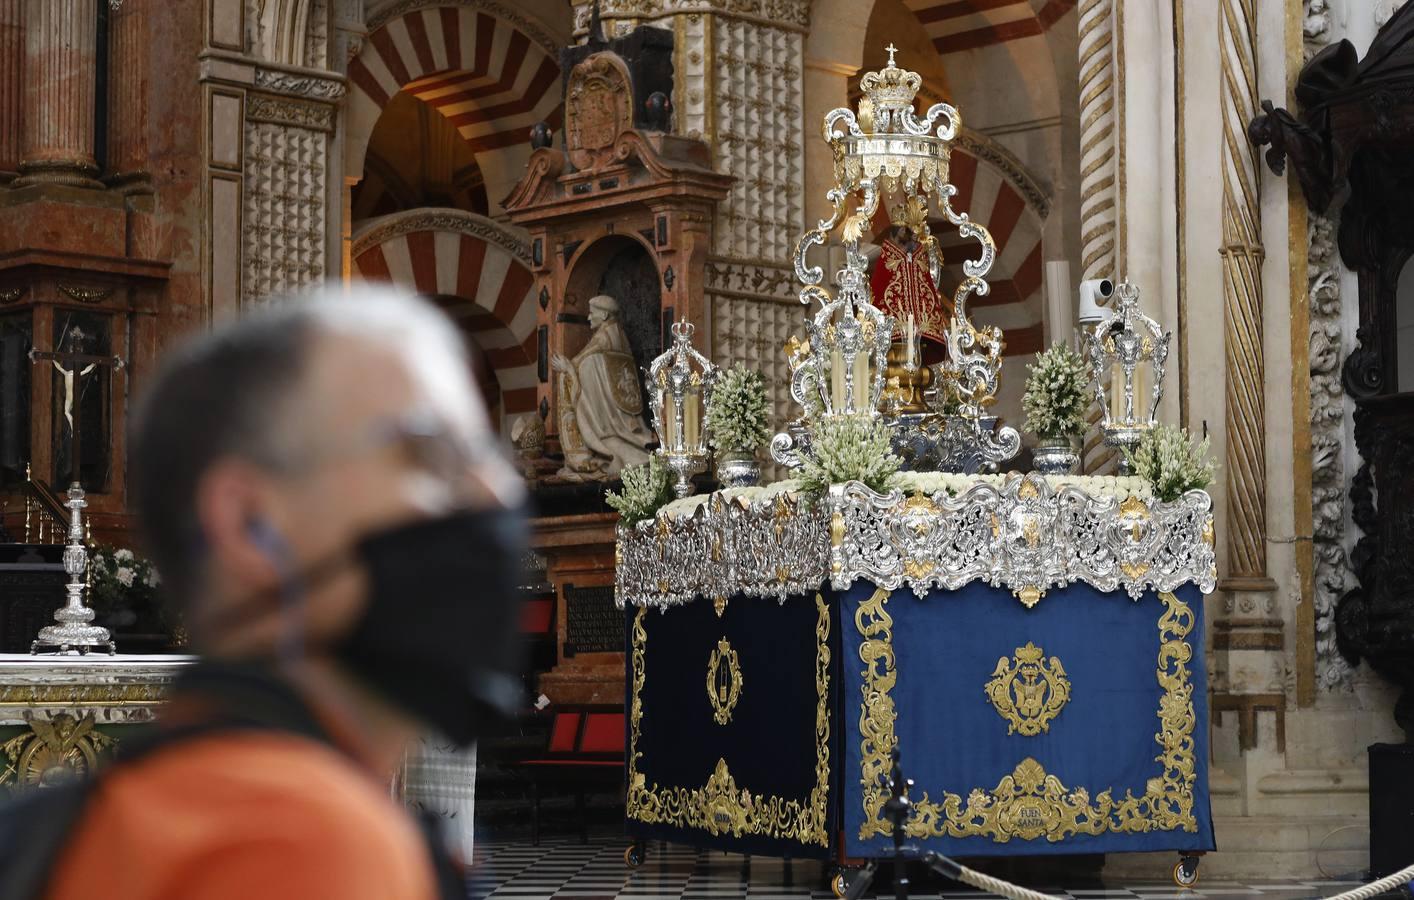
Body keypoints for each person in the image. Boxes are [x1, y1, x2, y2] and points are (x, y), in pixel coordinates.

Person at [36, 286, 528, 900]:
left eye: (485, 454)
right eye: (432, 454)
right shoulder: (304, 845)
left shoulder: (110, 822)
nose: (498, 494)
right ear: (249, 522)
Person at [552, 294, 654, 477]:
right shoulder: (618, 337)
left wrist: (567, 370)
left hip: (607, 428)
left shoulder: (601, 341)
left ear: (605, 316)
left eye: (592, 313)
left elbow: (579, 367)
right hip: (624, 424)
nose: (589, 317)